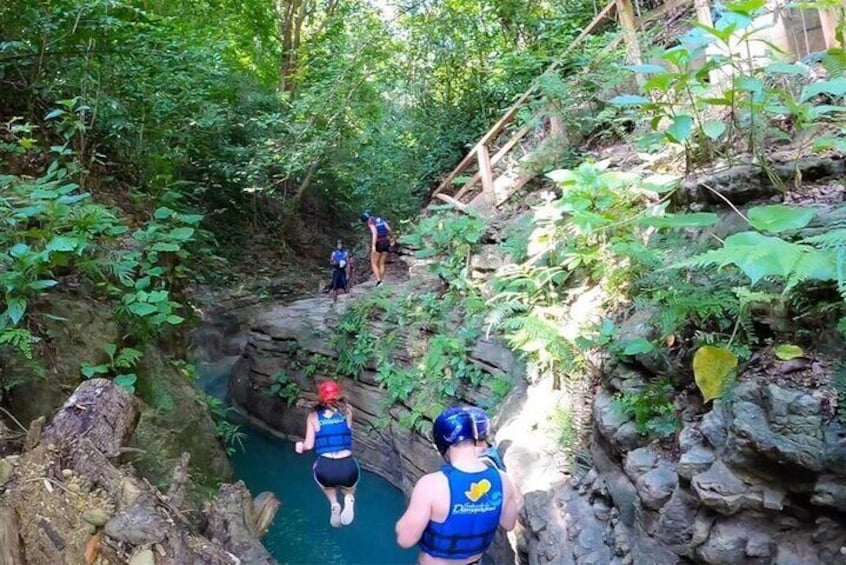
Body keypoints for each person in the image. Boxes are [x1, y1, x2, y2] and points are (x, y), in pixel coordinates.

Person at [395, 406, 523, 565]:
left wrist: (401, 525)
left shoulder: (432, 485)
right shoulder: (503, 481)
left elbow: (405, 540)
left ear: (442, 444)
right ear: (474, 437)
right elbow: (509, 524)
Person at [295, 380, 360, 527]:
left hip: (326, 468)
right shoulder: (348, 411)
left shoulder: (313, 417)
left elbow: (309, 445)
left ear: (321, 397)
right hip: (347, 467)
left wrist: (300, 446)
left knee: (322, 478)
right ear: (338, 395)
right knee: (350, 486)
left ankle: (334, 504)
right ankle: (349, 497)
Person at [360, 211, 392, 286]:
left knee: (374, 263)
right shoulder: (380, 219)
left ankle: (379, 281)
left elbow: (375, 233)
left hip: (379, 242)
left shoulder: (370, 222)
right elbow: (388, 228)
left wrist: (373, 245)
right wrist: (392, 237)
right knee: (381, 263)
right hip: (386, 242)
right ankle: (382, 280)